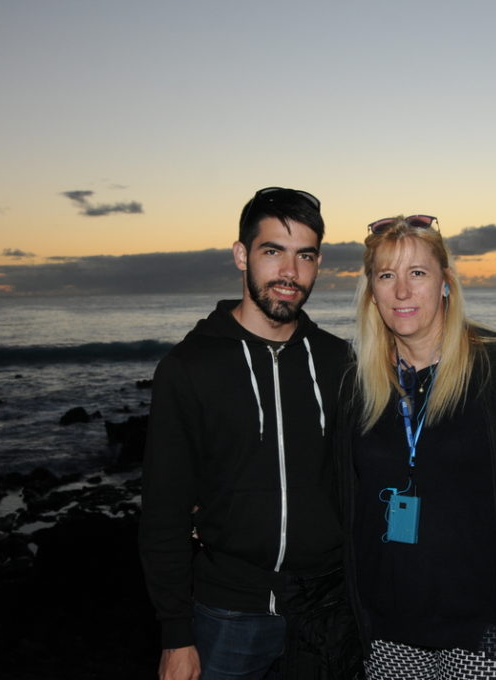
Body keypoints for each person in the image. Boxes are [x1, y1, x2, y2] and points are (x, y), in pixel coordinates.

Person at [336, 214, 496, 680]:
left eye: (417, 273)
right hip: (386, 631)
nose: (402, 291)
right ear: (372, 291)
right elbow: (336, 495)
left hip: (483, 630)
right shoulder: (357, 385)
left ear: (445, 283)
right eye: (387, 275)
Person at [139, 187, 356, 680]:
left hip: (328, 610)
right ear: (242, 255)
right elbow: (164, 511)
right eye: (273, 251)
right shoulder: (189, 368)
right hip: (229, 613)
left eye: (305, 256)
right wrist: (176, 635)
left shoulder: (339, 362)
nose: (290, 272)